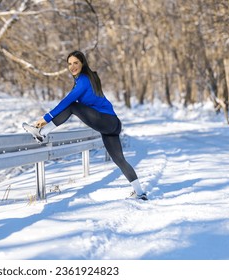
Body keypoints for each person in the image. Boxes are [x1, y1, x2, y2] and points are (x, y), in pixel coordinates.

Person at [23, 50, 147, 200]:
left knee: (73, 106)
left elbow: (67, 102)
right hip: (113, 124)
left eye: (76, 63)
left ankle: (42, 133)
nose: (72, 66)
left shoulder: (84, 80)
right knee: (119, 160)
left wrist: (46, 118)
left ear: (83, 63)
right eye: (69, 64)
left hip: (106, 121)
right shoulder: (89, 78)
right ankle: (140, 193)